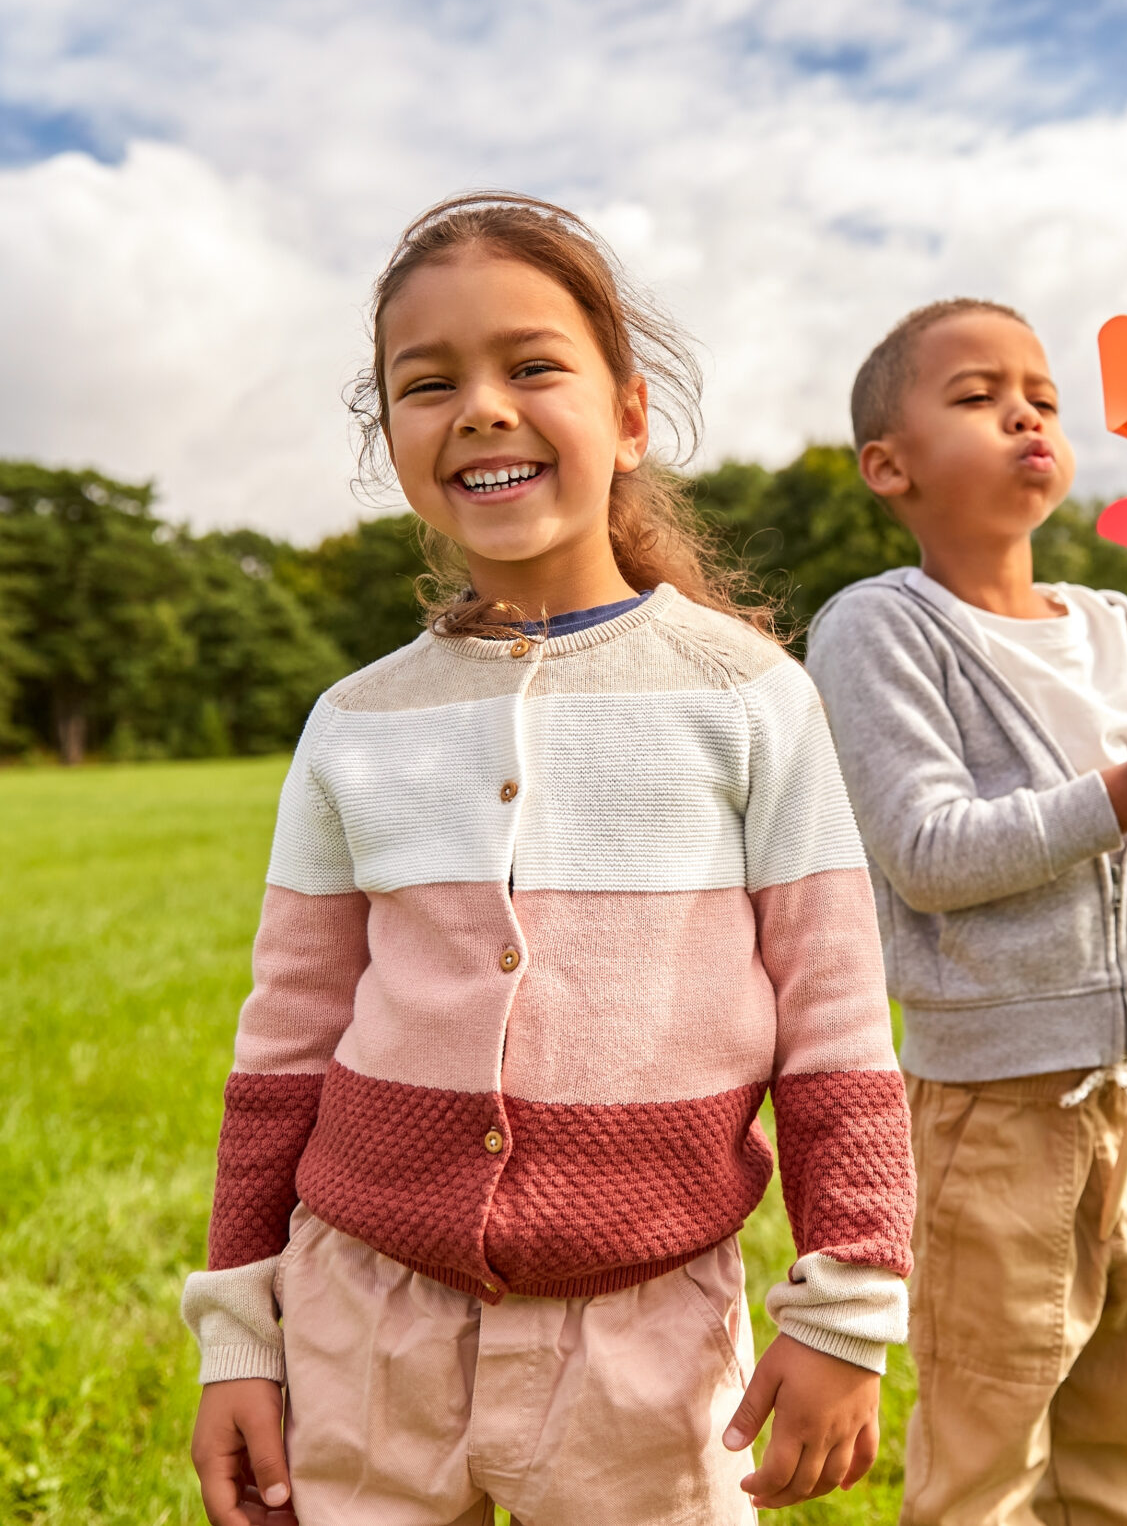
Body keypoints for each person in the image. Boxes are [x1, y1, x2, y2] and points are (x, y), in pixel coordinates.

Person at [182, 194, 916, 1526]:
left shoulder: (748, 696)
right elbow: (284, 1040)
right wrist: (244, 1331)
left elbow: (835, 1028)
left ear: (630, 417)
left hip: (650, 1337)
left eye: (531, 366)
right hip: (368, 1322)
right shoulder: (354, 722)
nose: (480, 407)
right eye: (428, 382)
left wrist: (850, 1305)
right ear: (392, 441)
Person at [803, 298, 1127, 1525]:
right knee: (990, 1438)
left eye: (1044, 395)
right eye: (975, 394)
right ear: (889, 466)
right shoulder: (879, 627)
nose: (1024, 409)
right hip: (995, 1111)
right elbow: (927, 852)